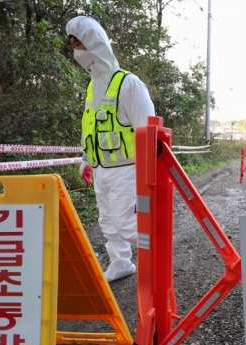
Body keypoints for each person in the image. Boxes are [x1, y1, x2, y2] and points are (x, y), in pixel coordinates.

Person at [66, 16, 155, 282]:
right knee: (107, 222)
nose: (76, 50)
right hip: (101, 168)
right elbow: (90, 127)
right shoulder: (92, 86)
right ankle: (121, 263)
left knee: (129, 225)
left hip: (127, 169)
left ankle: (157, 262)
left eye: (79, 43)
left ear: (94, 42)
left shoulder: (128, 83)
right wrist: (85, 159)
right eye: (72, 44)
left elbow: (148, 130)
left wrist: (149, 174)